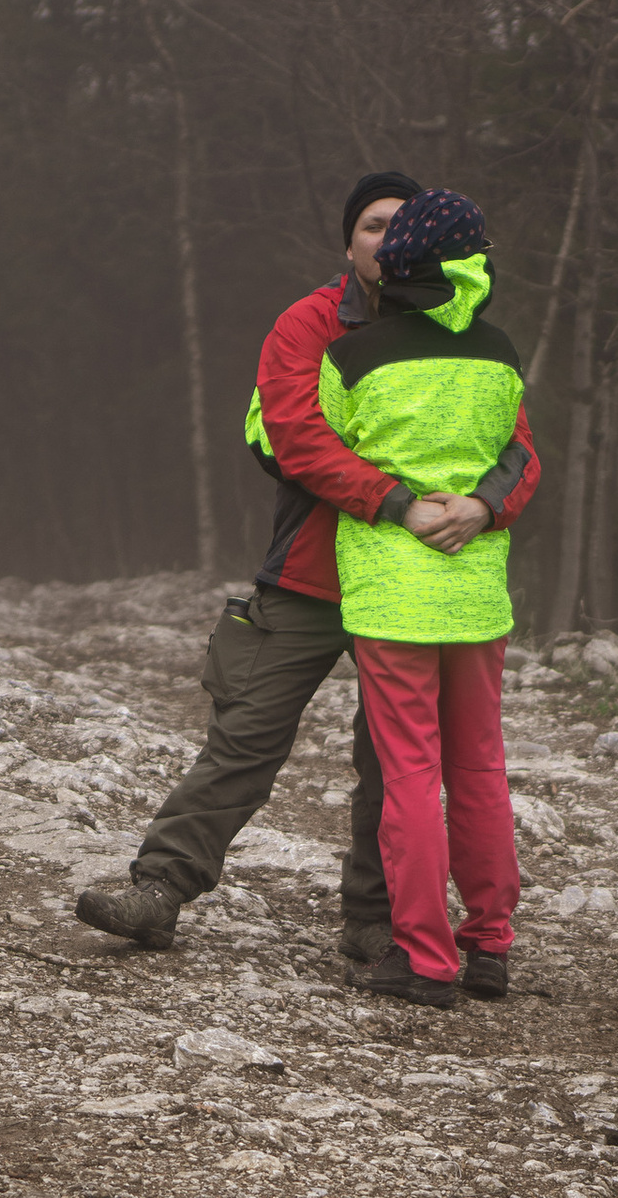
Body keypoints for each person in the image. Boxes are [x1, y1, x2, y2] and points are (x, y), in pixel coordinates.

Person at [74, 169, 538, 956]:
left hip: (418, 582)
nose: (388, 241)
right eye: (372, 227)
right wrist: (398, 499)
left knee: (397, 768)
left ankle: (375, 926)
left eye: (403, 226)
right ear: (347, 241)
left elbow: (518, 447)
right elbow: (289, 439)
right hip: (313, 573)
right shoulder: (309, 323)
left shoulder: (466, 332)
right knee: (245, 737)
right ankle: (159, 888)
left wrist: (485, 505)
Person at [317, 187, 528, 1005]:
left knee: (409, 772)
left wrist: (407, 502)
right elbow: (514, 449)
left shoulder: (354, 358)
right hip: (476, 590)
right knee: (480, 767)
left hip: (390, 589)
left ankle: (425, 960)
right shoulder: (501, 352)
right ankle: (490, 948)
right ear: (471, 263)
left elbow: (320, 450)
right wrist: (469, 507)